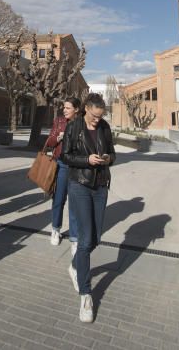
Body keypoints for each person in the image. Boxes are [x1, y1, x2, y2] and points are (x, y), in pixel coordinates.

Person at [61, 92, 115, 323]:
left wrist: (107, 159)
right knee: (84, 241)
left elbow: (113, 153)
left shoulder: (104, 127)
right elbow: (65, 156)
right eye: (94, 116)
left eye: (100, 116)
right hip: (80, 185)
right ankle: (86, 295)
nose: (97, 120)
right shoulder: (73, 127)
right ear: (85, 109)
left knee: (95, 239)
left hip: (101, 185)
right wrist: (87, 161)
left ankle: (75, 266)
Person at [46, 97, 80, 253]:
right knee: (58, 199)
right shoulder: (59, 121)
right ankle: (55, 229)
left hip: (77, 167)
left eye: (68, 108)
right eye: (64, 107)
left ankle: (75, 237)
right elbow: (50, 142)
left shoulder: (81, 124)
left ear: (76, 109)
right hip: (61, 164)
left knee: (75, 203)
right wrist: (57, 137)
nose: (64, 110)